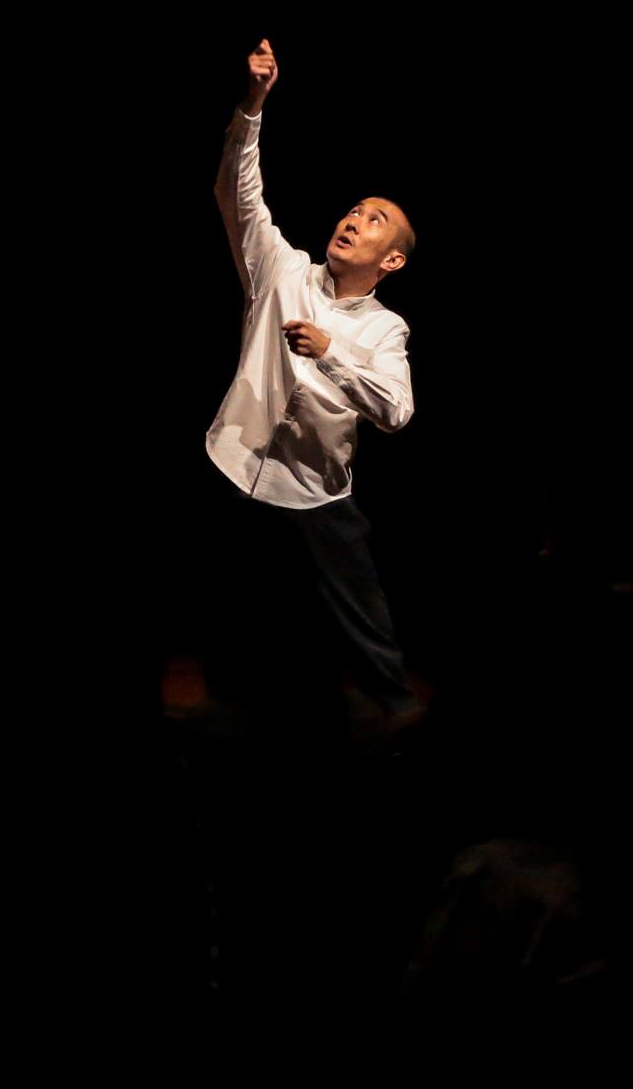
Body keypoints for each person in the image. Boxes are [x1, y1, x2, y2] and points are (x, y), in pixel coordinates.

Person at [202, 37, 419, 746]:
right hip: (233, 468)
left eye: (375, 218)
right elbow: (237, 190)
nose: (355, 218)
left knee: (367, 630)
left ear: (390, 259)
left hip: (315, 494)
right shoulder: (281, 267)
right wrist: (255, 104)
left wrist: (332, 357)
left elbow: (396, 410)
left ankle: (407, 735)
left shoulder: (387, 330)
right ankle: (221, 734)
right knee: (224, 619)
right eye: (355, 208)